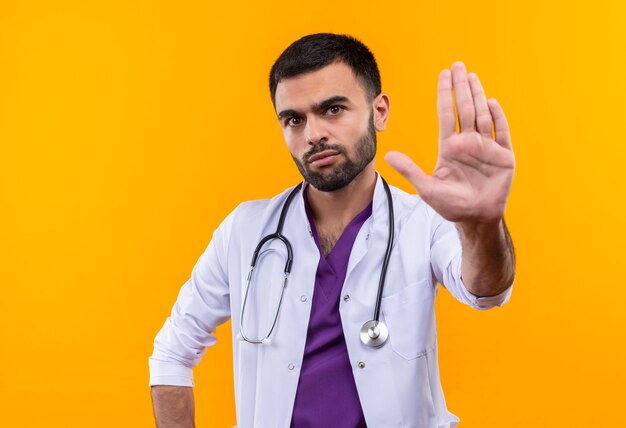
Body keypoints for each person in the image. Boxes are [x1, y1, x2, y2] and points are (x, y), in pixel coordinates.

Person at [149, 33, 515, 428]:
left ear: (380, 111)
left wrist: (482, 224)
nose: (313, 134)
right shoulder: (245, 232)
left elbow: (486, 291)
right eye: (294, 119)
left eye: (333, 109)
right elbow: (172, 354)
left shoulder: (424, 221)